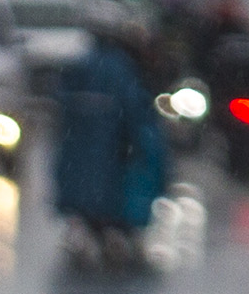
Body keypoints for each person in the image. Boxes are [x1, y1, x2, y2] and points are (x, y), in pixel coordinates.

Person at [52, 19, 169, 267]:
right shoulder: (122, 69)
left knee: (88, 191)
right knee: (115, 193)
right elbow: (135, 111)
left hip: (85, 153)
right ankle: (115, 233)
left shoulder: (82, 65)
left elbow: (62, 106)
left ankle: (93, 229)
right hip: (111, 154)